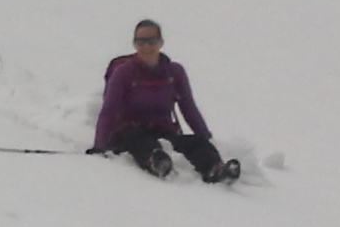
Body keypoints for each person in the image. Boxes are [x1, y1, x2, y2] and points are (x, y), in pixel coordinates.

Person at [90, 19, 238, 182]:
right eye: (141, 41)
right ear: (134, 44)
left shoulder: (174, 72)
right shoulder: (123, 73)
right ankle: (156, 161)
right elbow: (109, 111)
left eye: (151, 41)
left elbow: (188, 107)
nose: (146, 46)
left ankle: (215, 168)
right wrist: (100, 146)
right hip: (129, 133)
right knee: (140, 140)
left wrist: (204, 137)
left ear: (160, 42)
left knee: (196, 143)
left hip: (164, 130)